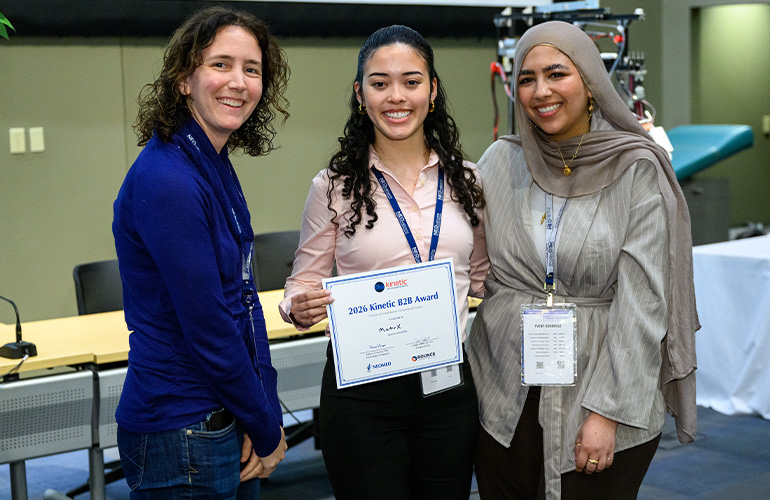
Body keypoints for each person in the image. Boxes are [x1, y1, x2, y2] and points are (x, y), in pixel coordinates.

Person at [468, 21, 699, 500]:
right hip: (502, 393)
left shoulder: (636, 168)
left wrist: (606, 412)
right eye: (527, 79)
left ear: (591, 83)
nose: (541, 91)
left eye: (557, 73)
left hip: (600, 390)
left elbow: (644, 304)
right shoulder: (499, 161)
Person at [279, 25, 489, 500]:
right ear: (360, 94)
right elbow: (302, 282)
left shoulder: (469, 181)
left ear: (432, 90)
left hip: (447, 389)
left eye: (411, 81)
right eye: (380, 83)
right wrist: (298, 305)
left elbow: (481, 278)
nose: (397, 96)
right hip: (361, 395)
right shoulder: (332, 187)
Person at [112, 6, 290, 498]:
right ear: (184, 79)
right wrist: (263, 420)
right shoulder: (168, 178)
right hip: (181, 429)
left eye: (251, 70)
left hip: (223, 416)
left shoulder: (208, 160)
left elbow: (244, 297)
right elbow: (209, 326)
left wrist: (264, 410)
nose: (238, 81)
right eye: (220, 64)